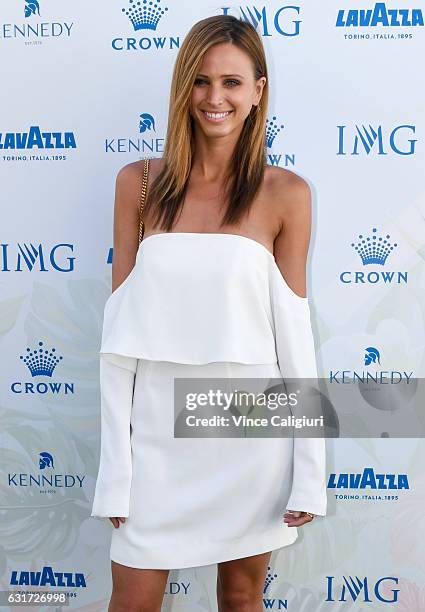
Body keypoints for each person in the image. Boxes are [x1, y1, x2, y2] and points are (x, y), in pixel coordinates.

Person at [91, 14, 327, 612]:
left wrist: (309, 472)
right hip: (156, 440)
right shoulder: (138, 185)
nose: (214, 98)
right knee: (134, 597)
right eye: (199, 81)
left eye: (231, 82)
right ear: (181, 89)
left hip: (249, 433)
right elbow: (118, 340)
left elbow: (294, 338)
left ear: (258, 91)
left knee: (242, 596)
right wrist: (116, 469)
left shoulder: (286, 193)